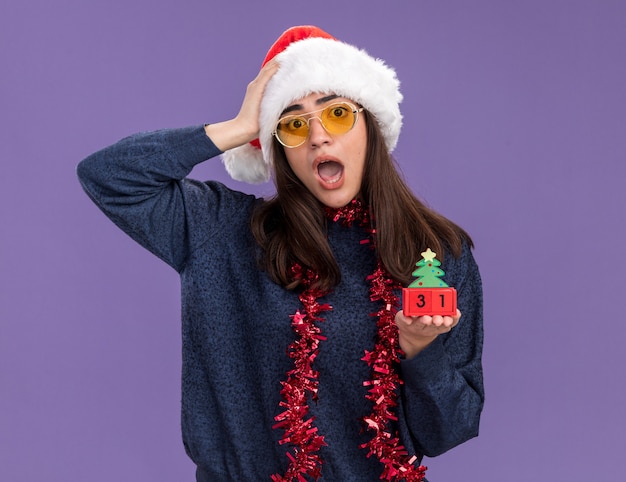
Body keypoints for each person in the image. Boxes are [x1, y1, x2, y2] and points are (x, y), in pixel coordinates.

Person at [77, 25, 484, 482]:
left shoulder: (436, 254)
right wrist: (238, 129)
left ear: (370, 125)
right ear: (279, 149)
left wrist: (420, 351)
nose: (317, 137)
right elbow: (108, 176)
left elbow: (452, 429)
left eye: (337, 114)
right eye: (292, 123)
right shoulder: (219, 231)